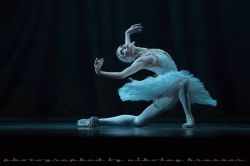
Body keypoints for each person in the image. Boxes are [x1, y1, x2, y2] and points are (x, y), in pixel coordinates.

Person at [77, 23, 217, 128]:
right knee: (138, 121)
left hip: (168, 87)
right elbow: (122, 74)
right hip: (167, 92)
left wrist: (127, 33)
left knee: (182, 81)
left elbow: (127, 48)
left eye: (124, 46)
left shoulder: (142, 51)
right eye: (123, 51)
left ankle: (99, 121)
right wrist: (100, 72)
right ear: (129, 57)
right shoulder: (142, 60)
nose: (125, 47)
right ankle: (98, 121)